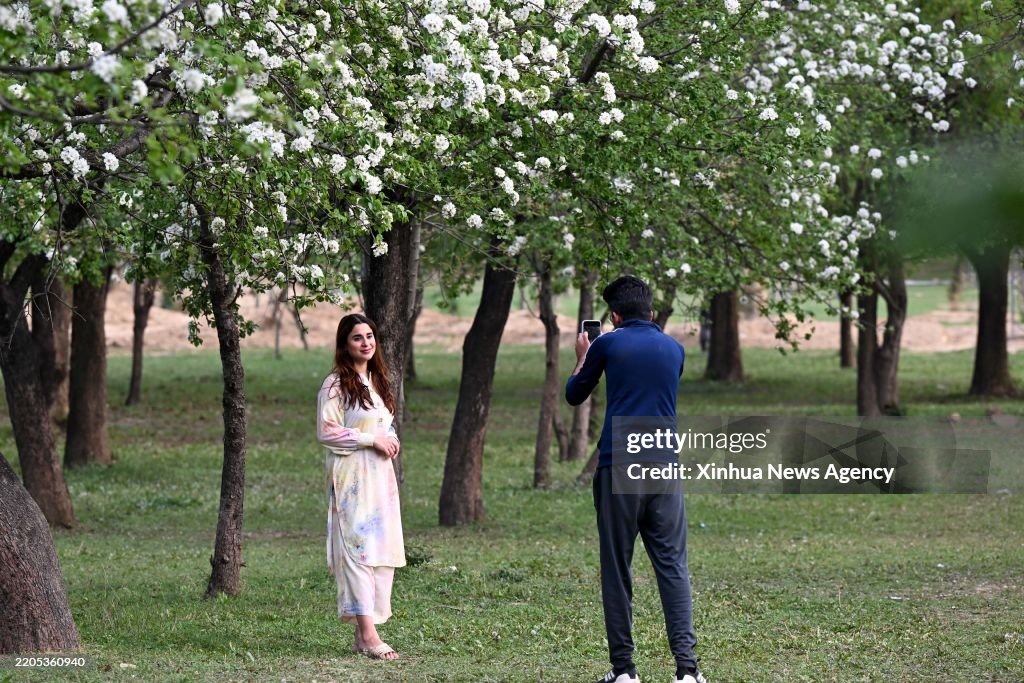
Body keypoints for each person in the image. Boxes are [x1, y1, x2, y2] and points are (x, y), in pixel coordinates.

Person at [566, 276, 706, 683]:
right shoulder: (675, 349)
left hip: (619, 465)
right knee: (673, 568)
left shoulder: (607, 344)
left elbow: (576, 394)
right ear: (650, 309)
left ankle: (625, 671)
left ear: (613, 315)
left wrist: (582, 355)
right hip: (664, 468)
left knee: (618, 569)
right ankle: (687, 670)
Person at [317, 313, 405, 660]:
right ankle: (369, 635)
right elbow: (326, 431)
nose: (366, 343)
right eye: (357, 337)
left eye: (369, 336)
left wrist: (390, 439)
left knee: (379, 553)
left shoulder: (377, 380)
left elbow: (386, 424)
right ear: (344, 344)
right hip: (352, 479)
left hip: (380, 481)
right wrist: (371, 440)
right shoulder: (336, 384)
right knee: (357, 552)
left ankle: (361, 634)